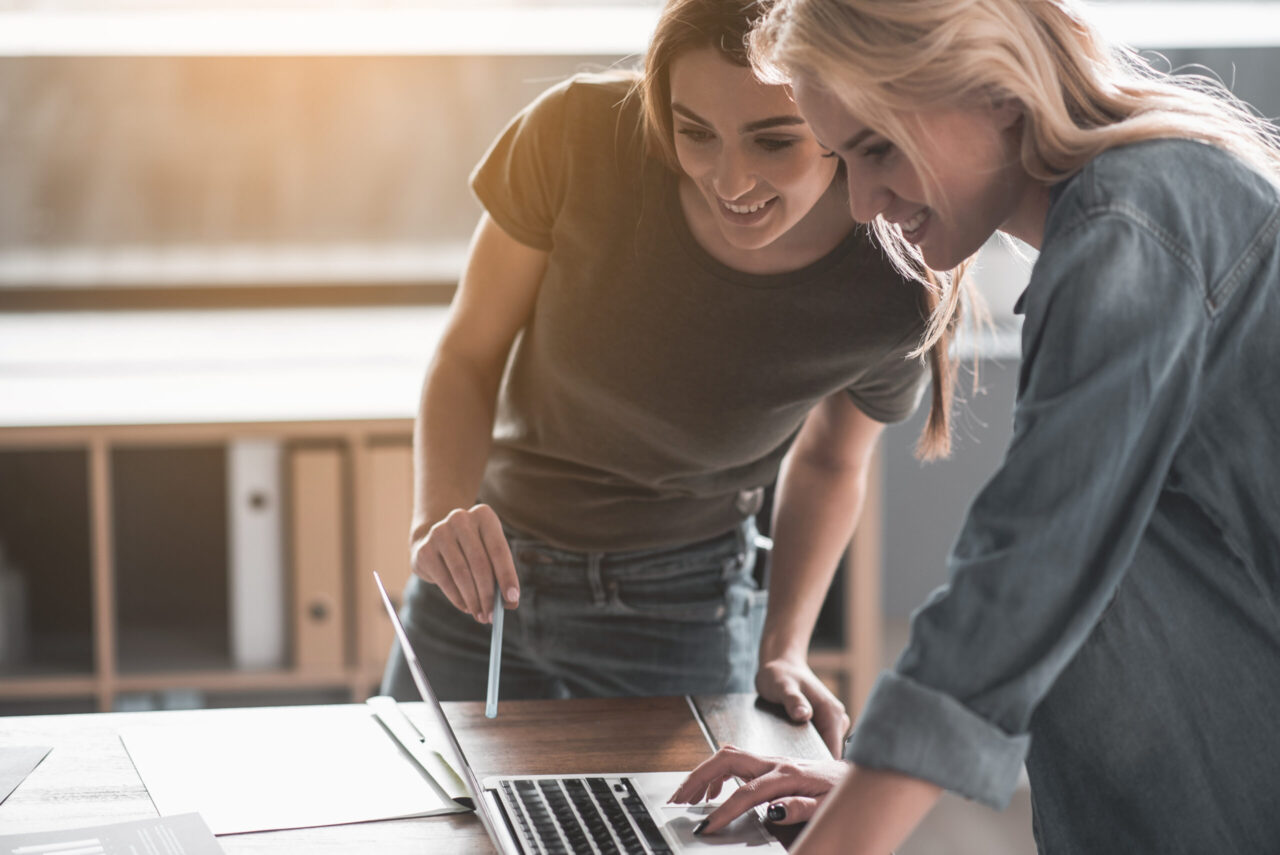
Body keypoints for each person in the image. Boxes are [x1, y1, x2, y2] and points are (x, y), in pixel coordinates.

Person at [669, 0, 1280, 851]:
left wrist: (847, 835)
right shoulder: (1115, 226)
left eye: (877, 148)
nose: (862, 200)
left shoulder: (1134, 224)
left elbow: (1026, 572)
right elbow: (1115, 615)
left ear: (994, 88)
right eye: (843, 159)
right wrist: (860, 794)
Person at [381, 0, 972, 757]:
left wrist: (783, 647)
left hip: (681, 606)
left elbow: (831, 460)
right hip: (486, 574)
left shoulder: (896, 281)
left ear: (843, 116)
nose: (730, 179)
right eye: (694, 133)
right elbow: (468, 352)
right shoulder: (574, 134)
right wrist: (437, 516)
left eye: (775, 138)